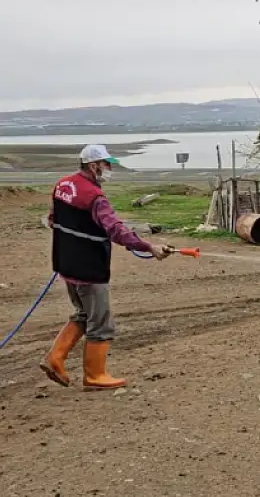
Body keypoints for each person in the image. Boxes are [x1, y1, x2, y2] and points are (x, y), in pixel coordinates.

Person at [40, 144, 170, 390]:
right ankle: (94, 376)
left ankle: (54, 358)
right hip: (89, 267)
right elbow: (116, 230)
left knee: (83, 313)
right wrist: (148, 247)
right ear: (94, 165)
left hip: (65, 264)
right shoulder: (94, 197)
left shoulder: (62, 186)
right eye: (106, 164)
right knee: (100, 321)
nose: (109, 169)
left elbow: (51, 219)